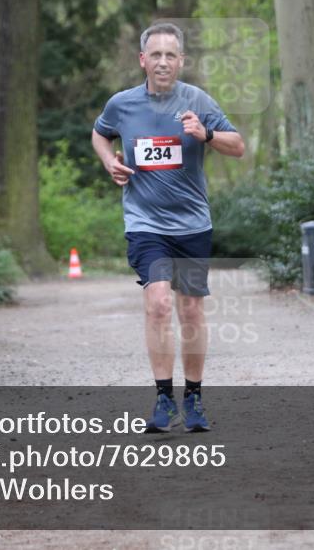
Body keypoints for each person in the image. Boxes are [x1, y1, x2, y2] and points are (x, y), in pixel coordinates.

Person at [91, 22, 245, 432]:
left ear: (181, 61)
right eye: (155, 54)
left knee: (190, 308)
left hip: (192, 223)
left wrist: (207, 133)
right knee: (158, 303)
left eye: (170, 55)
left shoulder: (198, 100)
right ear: (143, 60)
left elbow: (239, 146)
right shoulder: (122, 104)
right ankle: (163, 399)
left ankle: (193, 399)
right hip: (145, 223)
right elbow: (100, 133)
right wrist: (109, 162)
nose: (162, 61)